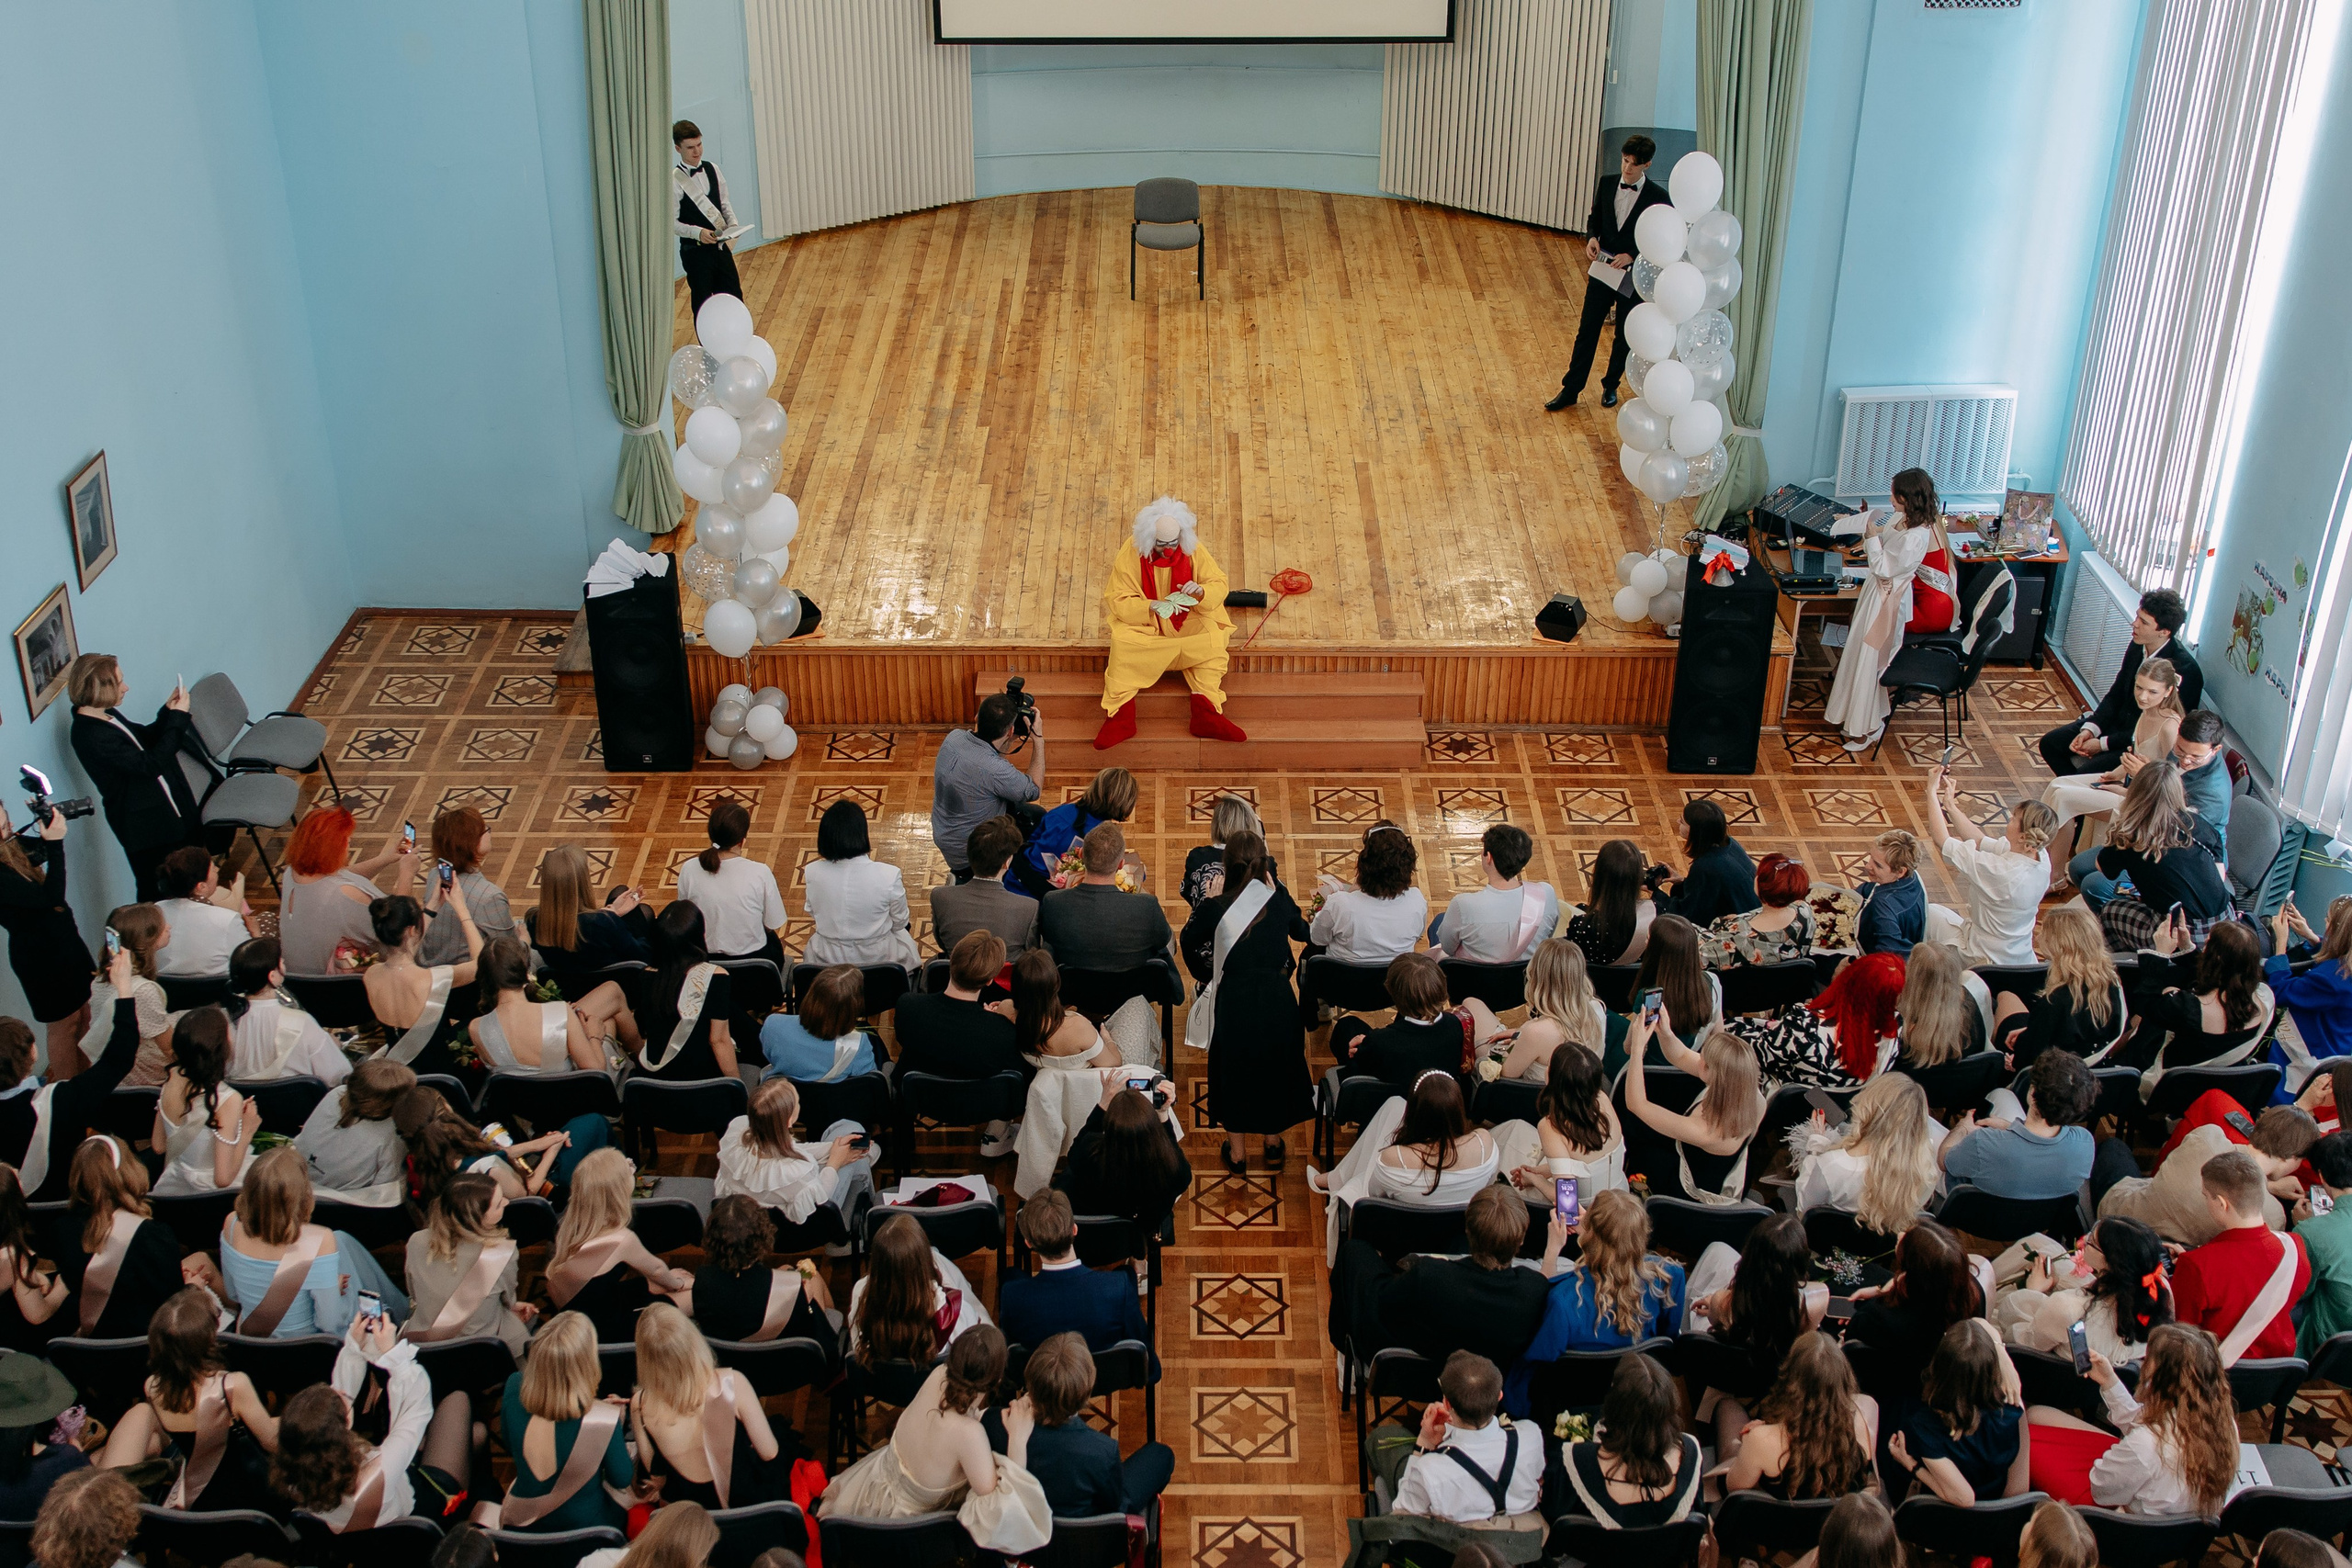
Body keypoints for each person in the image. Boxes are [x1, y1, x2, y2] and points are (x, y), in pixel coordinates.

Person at [818, 1325, 1052, 1553]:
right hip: (908, 1531)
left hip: (870, 1489)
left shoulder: (938, 1375)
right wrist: (1017, 1442)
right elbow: (998, 1510)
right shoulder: (970, 1434)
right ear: (997, 1380)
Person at [1182, 829, 1313, 1171]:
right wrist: (1279, 895)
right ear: (1263, 863)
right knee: (1273, 1066)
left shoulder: (1215, 907)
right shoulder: (1277, 898)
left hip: (1234, 1001)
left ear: (1227, 866)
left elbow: (1188, 943)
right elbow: (1302, 931)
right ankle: (1272, 1147)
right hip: (1277, 999)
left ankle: (1237, 1154)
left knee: (1233, 1071)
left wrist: (1208, 973)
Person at [271, 1314, 474, 1530]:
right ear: (346, 1421)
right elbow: (415, 1411)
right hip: (429, 1511)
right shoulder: (379, 1468)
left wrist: (354, 1348)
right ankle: (473, 1507)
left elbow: (333, 1412)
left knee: (474, 1434)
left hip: (374, 1538)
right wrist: (394, 1356)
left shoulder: (295, 1476)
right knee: (457, 1401)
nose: (340, 1391)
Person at [1332, 1184, 1549, 1374]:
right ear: (1520, 1241)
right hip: (1482, 1376)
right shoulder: (1533, 1291)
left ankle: (1351, 1356)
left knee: (1354, 1251)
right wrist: (1553, 1250)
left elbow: (1384, 1302)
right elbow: (1541, 1283)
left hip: (1418, 1372)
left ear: (1467, 1229)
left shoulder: (1430, 1274)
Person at [96, 1287, 279, 1513]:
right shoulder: (233, 1386)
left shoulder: (152, 1386)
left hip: (199, 1496)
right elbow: (271, 1442)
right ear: (208, 1339)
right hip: (249, 1491)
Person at [2023, 1321, 2235, 1514]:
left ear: (2161, 1379)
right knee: (2037, 1415)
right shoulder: (2222, 1424)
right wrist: (2109, 1381)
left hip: (2111, 1509)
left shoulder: (2145, 1444)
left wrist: (2110, 1456)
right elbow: (2143, 1428)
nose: (2143, 1366)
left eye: (2148, 1361)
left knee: (2023, 1440)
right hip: (2142, 1490)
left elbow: (2100, 1489)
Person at [1095, 495, 1246, 746]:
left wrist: (1200, 591)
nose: (1168, 549)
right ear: (1148, 539)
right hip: (1148, 623)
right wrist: (1149, 606)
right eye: (1161, 544)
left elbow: (1218, 583)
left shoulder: (1193, 549)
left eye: (1173, 543)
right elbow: (1117, 597)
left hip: (1188, 621)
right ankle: (1120, 718)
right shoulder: (1131, 553)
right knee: (1123, 643)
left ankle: (1206, 715)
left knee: (1213, 639)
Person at [1825, 469, 1955, 750]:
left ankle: (1865, 727)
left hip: (1886, 599)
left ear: (1906, 498)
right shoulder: (1903, 518)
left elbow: (1884, 568)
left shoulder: (1917, 537)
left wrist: (1870, 536)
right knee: (1859, 653)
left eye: (1894, 493)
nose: (1890, 497)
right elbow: (1887, 537)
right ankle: (1853, 716)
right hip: (1876, 593)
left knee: (1871, 660)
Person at [0, 947, 143, 1202]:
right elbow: (118, 1058)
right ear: (33, 1055)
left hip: (15, 1226)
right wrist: (124, 989)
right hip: (72, 1212)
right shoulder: (64, 1099)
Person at [1309, 1070, 1498, 1262]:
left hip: (1401, 1243)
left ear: (1413, 1112)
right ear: (1459, 1108)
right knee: (1393, 1105)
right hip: (1460, 1238)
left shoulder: (1395, 1157)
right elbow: (1488, 1186)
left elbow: (1375, 1194)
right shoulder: (1484, 1143)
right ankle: (1335, 1178)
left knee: (1358, 1183)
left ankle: (1335, 1179)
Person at [219, 1149, 408, 1337]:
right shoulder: (320, 1239)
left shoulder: (232, 1223)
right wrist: (334, 1289)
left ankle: (399, 1308)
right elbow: (330, 1323)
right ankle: (401, 1313)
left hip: (252, 1342)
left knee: (341, 1240)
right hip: (307, 1350)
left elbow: (233, 1294)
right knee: (342, 1246)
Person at [63, 654, 206, 902]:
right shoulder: (90, 735)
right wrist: (178, 720)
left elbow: (143, 739)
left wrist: (168, 712)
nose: (125, 688)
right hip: (145, 828)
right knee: (157, 889)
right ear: (101, 689)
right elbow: (150, 765)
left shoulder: (106, 714)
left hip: (161, 815)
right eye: (119, 683)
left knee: (182, 880)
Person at [1546, 134, 1670, 412]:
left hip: (1632, 277)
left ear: (1647, 165)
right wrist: (1592, 238)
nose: (1627, 169)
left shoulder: (1659, 198)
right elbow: (1595, 220)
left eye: (1634, 165)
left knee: (1624, 335)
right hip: (1603, 271)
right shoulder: (1606, 183)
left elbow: (1663, 241)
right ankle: (1571, 389)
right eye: (1625, 161)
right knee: (1587, 330)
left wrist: (1633, 256)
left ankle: (1610, 385)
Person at [993, 1333, 1172, 1518]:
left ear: (1029, 1376)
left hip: (1022, 1522)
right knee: (1162, 1455)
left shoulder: (995, 1423)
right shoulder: (1102, 1451)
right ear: (1087, 1392)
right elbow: (1113, 1504)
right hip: (1083, 1530)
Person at [632, 1303, 791, 1507]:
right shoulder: (731, 1383)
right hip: (745, 1506)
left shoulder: (640, 1404)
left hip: (691, 1518)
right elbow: (769, 1453)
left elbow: (656, 1475)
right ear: (692, 1340)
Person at [2039, 586, 2203, 775]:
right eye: (2137, 617)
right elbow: (2116, 693)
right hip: (2114, 725)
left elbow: (2158, 728)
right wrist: (2091, 729)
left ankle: (2079, 790)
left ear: (2164, 632)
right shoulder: (2137, 645)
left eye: (2143, 622)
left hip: (2137, 742)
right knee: (2050, 743)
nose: (2134, 624)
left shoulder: (2185, 671)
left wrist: (2102, 744)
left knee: (2084, 774)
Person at [496, 1310, 632, 1534]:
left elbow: (509, 1443)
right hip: (587, 1527)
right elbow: (622, 1478)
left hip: (523, 1524)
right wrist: (616, 1422)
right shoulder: (603, 1419)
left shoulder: (514, 1385)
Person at [2167, 1149, 2310, 1361]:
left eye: (2206, 1196)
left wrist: (2173, 1277)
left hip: (2213, 1373)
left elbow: (2181, 1332)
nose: (2206, 1202)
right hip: (2275, 1372)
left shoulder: (2196, 1266)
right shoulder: (2296, 1247)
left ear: (2223, 1203)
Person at [1514, 1189, 1684, 1366]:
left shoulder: (1564, 1301)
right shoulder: (1670, 1276)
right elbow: (1667, 1343)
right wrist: (1600, 1230)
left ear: (1591, 1234)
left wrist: (1552, 1251)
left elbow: (1537, 1365)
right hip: (1637, 1380)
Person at [2097, 1103, 2310, 1244]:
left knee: (2114, 1146)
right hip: (2164, 1260)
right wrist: (2269, 1187)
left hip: (2120, 1217)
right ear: (2292, 1157)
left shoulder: (2208, 1136)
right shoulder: (2271, 1215)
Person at [1000, 1190, 1156, 1375]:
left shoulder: (1012, 1296)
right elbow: (1145, 1356)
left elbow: (1009, 1354)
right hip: (1103, 1377)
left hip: (1045, 1381)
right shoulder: (1118, 1287)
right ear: (1074, 1230)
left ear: (1028, 1243)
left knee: (1011, 1275)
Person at [544, 1148, 691, 1340]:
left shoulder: (569, 1226)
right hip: (605, 1330)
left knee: (658, 1284)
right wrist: (678, 1284)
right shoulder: (621, 1239)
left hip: (586, 1313)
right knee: (693, 1293)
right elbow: (656, 1270)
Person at [1996, 1214, 2173, 1368]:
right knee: (2041, 1243)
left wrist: (2033, 1291)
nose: (2085, 1240)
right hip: (2102, 1316)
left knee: (1995, 1308)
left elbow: (2025, 1342)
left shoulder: (2067, 1308)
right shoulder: (2160, 1289)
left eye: (2092, 1242)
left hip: (2063, 1359)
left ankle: (1984, 1281)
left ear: (2110, 1262)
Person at [2041, 657, 2187, 844]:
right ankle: (2039, 846)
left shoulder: (2169, 727)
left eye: (2152, 692)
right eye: (2139, 688)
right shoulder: (2146, 712)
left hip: (2143, 799)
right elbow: (2135, 756)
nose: (2142, 697)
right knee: (2057, 784)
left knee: (2063, 798)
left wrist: (2128, 785)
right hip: (2127, 782)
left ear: (2168, 692)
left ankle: (2054, 868)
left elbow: (2173, 779)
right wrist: (2114, 773)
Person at [1715, 1331, 1877, 1499]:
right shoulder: (1867, 1415)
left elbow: (1734, 1488)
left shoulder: (1761, 1440)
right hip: (1835, 1523)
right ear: (1844, 1380)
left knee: (1726, 1407)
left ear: (1790, 1379)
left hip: (1773, 1523)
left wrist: (1748, 1442)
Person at [2089, 760, 2234, 945]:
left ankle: (2131, 965)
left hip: (2178, 934)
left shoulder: (2130, 835)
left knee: (2110, 911)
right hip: (2225, 925)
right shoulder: (2199, 824)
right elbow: (2219, 874)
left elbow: (2101, 867)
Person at [1623, 1016, 1764, 1203]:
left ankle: (1642, 1199)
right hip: (1721, 1167)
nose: (1698, 1059)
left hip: (1696, 1190)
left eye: (1702, 1059)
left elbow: (1636, 1104)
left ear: (1712, 1071)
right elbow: (1680, 1055)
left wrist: (1637, 1050)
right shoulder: (1748, 1091)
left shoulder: (1705, 1130)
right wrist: (1666, 1032)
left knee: (1643, 1158)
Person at [1388, 1351, 1544, 1523]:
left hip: (1460, 1546)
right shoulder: (1531, 1435)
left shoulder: (1429, 1469)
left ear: (1446, 1403)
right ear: (1499, 1395)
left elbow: (1402, 1516)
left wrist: (1424, 1443)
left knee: (1382, 1441)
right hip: (1522, 1542)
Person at [0, 798, 94, 1077]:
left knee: (85, 1016)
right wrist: (56, 843)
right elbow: (50, 897)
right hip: (40, 960)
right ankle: (67, 1098)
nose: (11, 827)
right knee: (63, 1026)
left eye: (7, 820)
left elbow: (37, 848)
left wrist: (44, 818)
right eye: (4, 826)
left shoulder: (9, 849)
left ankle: (87, 1085)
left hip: (66, 945)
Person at [1849, 1219, 1988, 1404]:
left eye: (1907, 1238)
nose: (1899, 1235)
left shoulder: (1878, 1318)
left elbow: (1853, 1350)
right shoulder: (1971, 1297)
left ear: (1913, 1267)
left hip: (1889, 1393)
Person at [1555, 1352, 1702, 1528]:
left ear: (1613, 1402)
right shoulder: (1689, 1452)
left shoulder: (1577, 1458)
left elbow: (1556, 1521)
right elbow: (1698, 1516)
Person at [59, 1135, 185, 1338]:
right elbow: (173, 1303)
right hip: (149, 1352)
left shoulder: (63, 1231)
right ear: (130, 1169)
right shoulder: (154, 1236)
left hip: (90, 1352)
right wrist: (192, 1286)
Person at [713, 1076, 879, 1230]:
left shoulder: (736, 1131)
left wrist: (831, 1149)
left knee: (846, 1127)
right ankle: (861, 1226)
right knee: (858, 1153)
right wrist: (834, 1163)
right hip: (801, 1227)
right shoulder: (795, 1172)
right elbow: (821, 1199)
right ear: (789, 1121)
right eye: (797, 1102)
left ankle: (866, 1158)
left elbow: (790, 1150)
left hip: (745, 1213)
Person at [1889, 1319, 2027, 1502]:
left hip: (1947, 1518)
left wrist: (1913, 1466)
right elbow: (2019, 1489)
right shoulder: (2014, 1409)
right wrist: (2004, 1357)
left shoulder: (1923, 1427)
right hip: (1998, 1514)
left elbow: (1965, 1499)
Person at [1925, 775, 2055, 966]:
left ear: (2023, 837)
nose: (2008, 821)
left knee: (1927, 911)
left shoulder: (1998, 872)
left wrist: (1930, 792)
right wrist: (1950, 806)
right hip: (2018, 955)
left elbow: (1942, 840)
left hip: (1981, 955)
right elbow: (1979, 840)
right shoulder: (2041, 859)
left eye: (2013, 819)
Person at [681, 1196, 839, 1351]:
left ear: (711, 1238)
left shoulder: (703, 1281)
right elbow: (822, 1340)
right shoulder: (795, 1289)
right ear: (763, 1237)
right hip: (792, 1368)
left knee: (785, 1268)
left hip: (731, 1366)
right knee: (814, 1277)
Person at [1790, 1072, 1941, 1234]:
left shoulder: (1833, 1164)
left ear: (1870, 1107)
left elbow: (1805, 1209)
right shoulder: (1926, 1166)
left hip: (1832, 1241)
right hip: (1885, 1247)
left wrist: (1816, 1148)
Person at [1729, 949, 1900, 1091]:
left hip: (1779, 1095)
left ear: (1849, 983)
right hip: (1831, 1102)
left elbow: (1750, 1054)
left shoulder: (1805, 1027)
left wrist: (1783, 1031)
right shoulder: (1895, 1029)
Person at [2132, 918, 2272, 1090]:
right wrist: (2186, 947)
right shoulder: (2265, 997)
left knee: (2140, 1023)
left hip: (2167, 1087)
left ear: (2216, 958)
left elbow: (2144, 1002)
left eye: (2207, 944)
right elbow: (2221, 972)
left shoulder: (2191, 1008)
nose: (2204, 943)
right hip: (2213, 1083)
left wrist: (2160, 953)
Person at [1940, 1048, 2098, 1200]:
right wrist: (2011, 1128)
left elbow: (1943, 1162)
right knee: (2002, 1095)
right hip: (2038, 1217)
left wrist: (1962, 1128)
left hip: (1973, 1210)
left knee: (1923, 1129)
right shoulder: (2086, 1143)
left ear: (2032, 1093)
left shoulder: (1981, 1142)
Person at [398, 1086, 598, 1204]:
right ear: (446, 1108)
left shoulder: (421, 1160)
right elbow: (527, 1193)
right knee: (591, 1124)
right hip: (520, 1214)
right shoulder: (488, 1168)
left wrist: (535, 1145)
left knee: (579, 1127)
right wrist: (550, 1151)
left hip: (473, 1215)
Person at [277, 805, 414, 975]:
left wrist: (384, 859)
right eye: (347, 841)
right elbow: (398, 928)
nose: (349, 844)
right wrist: (407, 874)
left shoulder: (291, 873)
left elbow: (341, 875)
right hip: (340, 982)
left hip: (296, 977)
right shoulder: (345, 895)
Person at [404, 1172, 531, 1354]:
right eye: (498, 1204)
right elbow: (509, 1300)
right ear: (477, 1218)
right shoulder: (501, 1251)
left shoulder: (416, 1240)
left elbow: (414, 1293)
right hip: (481, 1343)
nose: (506, 1202)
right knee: (523, 1339)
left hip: (426, 1346)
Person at [1332, 952, 1507, 1082]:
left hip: (1394, 1099)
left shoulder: (1380, 1041)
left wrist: (1365, 1044)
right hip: (1440, 1093)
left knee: (1347, 1026)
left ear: (1392, 993)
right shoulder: (1456, 1024)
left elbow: (1365, 1061)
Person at [1991, 906, 2129, 1071]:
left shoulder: (2055, 1001)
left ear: (2058, 944)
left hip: (2050, 1078)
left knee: (2006, 997)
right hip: (2097, 1069)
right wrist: (2030, 1031)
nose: (2039, 936)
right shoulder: (2113, 982)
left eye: (2044, 933)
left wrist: (2014, 1062)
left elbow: (2027, 1061)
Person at [472, 934, 632, 1075]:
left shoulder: (475, 1028)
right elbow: (596, 1071)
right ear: (527, 975)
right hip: (568, 1100)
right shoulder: (560, 1012)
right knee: (607, 1022)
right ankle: (641, 1063)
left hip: (521, 1103)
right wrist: (594, 1036)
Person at [847, 1213, 992, 1365]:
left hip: (880, 1388)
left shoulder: (861, 1295)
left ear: (876, 1263)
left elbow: (858, 1348)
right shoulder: (955, 1312)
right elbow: (980, 1360)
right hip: (939, 1388)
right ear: (926, 1259)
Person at [1060, 1068, 1193, 1234]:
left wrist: (1103, 1104)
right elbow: (1172, 1151)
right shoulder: (1174, 1170)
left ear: (1108, 1126)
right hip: (1137, 1233)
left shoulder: (1089, 1153)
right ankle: (1138, 1259)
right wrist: (1163, 1113)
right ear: (1153, 1129)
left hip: (1089, 1233)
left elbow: (1076, 1149)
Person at [933, 694, 1046, 885]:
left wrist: (1008, 738)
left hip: (946, 834)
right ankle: (977, 880)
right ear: (1010, 731)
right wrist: (1038, 740)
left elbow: (987, 765)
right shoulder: (994, 770)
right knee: (1038, 839)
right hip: (973, 851)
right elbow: (1033, 789)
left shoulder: (953, 738)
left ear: (977, 718)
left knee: (1034, 814)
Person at [364, 892, 480, 1076]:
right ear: (411, 930)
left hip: (401, 1071)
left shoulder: (370, 975)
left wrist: (433, 906)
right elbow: (480, 964)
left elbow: (404, 950)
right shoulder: (433, 979)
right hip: (441, 1070)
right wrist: (462, 909)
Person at [887, 931, 1024, 1081]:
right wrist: (994, 1022)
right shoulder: (1004, 1034)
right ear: (989, 980)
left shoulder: (908, 1007)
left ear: (951, 963)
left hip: (915, 1101)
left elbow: (903, 1039)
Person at [1037, 822, 1171, 974]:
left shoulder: (1053, 902)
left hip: (1071, 988)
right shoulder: (1147, 906)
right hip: (1129, 988)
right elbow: (1163, 940)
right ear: (1121, 864)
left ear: (1081, 856)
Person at [152, 1008, 259, 1194]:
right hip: (210, 1196)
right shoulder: (228, 1099)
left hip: (174, 1187)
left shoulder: (172, 1079)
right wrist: (247, 1131)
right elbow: (222, 1179)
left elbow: (158, 1145)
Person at [1499, 1042, 1625, 1201]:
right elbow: (1583, 1164)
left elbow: (1567, 1201)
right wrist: (1538, 1172)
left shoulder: (1551, 1127)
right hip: (1619, 1195)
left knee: (1507, 1144)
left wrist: (1535, 1180)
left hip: (1587, 1211)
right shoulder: (1602, 1099)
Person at [804, 801, 921, 974]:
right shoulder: (889, 874)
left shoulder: (812, 871)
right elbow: (900, 922)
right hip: (881, 961)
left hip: (827, 962)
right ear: (862, 834)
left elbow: (813, 912)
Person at [222, 938, 353, 1085]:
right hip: (302, 1106)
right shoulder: (301, 1022)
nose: (283, 961)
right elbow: (338, 1076)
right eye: (280, 960)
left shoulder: (222, 1023)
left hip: (243, 1105)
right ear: (272, 976)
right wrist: (331, 1045)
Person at [635, 901, 740, 1081]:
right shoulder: (717, 977)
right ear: (700, 936)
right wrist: (739, 1087)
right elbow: (718, 1040)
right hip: (702, 1080)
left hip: (655, 1081)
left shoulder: (645, 975)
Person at [673, 796, 786, 964]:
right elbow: (773, 922)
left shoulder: (689, 868)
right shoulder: (760, 872)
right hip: (753, 961)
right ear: (742, 841)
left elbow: (685, 915)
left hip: (703, 959)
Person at [1429, 825, 1559, 964]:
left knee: (1439, 922)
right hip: (1526, 979)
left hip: (1473, 981)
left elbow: (1448, 949)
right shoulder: (1546, 894)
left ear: (1489, 857)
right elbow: (1547, 937)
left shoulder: (1463, 905)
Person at [1486, 939, 1609, 1084]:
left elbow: (1504, 1076)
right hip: (1582, 1093)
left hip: (1532, 1100)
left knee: (1473, 1009)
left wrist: (1516, 1039)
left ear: (1537, 977)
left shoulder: (1535, 1031)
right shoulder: (1596, 1009)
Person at [1006, 766, 1140, 900]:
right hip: (1047, 898)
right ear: (1125, 803)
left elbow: (1033, 840)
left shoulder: (1060, 812)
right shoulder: (1104, 838)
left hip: (1015, 879)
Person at [77, 902, 172, 1087]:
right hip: (141, 1075)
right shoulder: (143, 991)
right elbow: (169, 1048)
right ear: (145, 939)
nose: (169, 927)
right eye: (162, 926)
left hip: (111, 1067)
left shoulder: (100, 979)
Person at [295, 1057, 413, 1203]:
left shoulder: (337, 1093)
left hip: (297, 1182)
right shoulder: (394, 1132)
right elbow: (385, 1189)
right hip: (344, 1203)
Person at [1309, 822, 1428, 965]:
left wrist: (1351, 893)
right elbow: (1417, 936)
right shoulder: (1416, 900)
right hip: (1394, 981)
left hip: (1342, 982)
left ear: (1364, 864)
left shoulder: (1340, 903)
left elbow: (1317, 938)